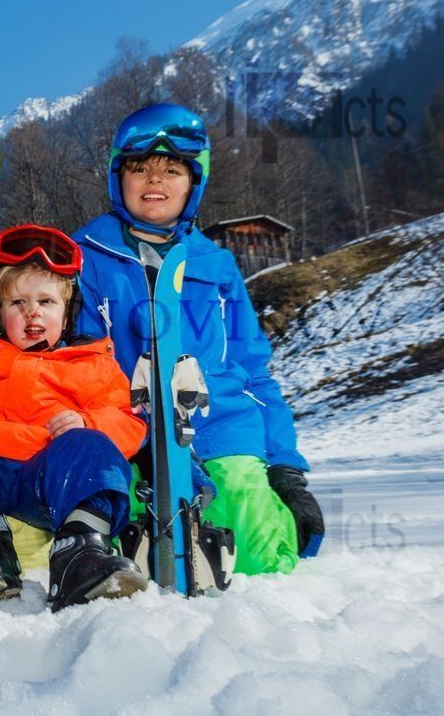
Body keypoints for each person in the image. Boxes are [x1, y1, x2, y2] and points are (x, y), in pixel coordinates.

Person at [71, 103, 325, 576]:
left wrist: (286, 469)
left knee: (257, 556)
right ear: (117, 177)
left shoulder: (216, 265)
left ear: (194, 182)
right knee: (132, 554)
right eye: (140, 168)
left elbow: (253, 371)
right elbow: (72, 363)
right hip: (126, 434)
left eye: (171, 170)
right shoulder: (85, 257)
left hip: (218, 428)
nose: (155, 180)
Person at [0, 224, 149, 610]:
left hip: (50, 478)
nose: (32, 312)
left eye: (46, 302)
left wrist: (89, 422)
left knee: (91, 444)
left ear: (67, 313)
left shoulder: (93, 364)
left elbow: (130, 423)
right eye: (17, 303)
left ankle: (81, 553)